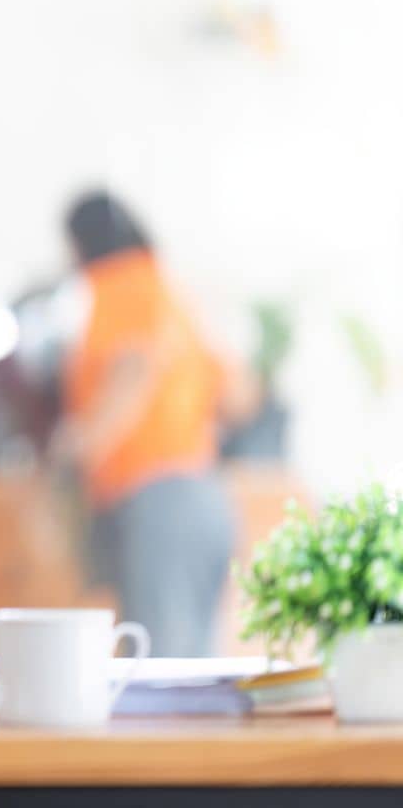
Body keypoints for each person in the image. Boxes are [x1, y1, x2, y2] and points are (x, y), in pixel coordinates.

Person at [50, 191, 254, 657]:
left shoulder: (120, 281)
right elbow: (236, 395)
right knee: (189, 672)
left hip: (159, 501)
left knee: (160, 680)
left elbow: (136, 366)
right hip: (202, 497)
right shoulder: (169, 287)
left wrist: (78, 444)